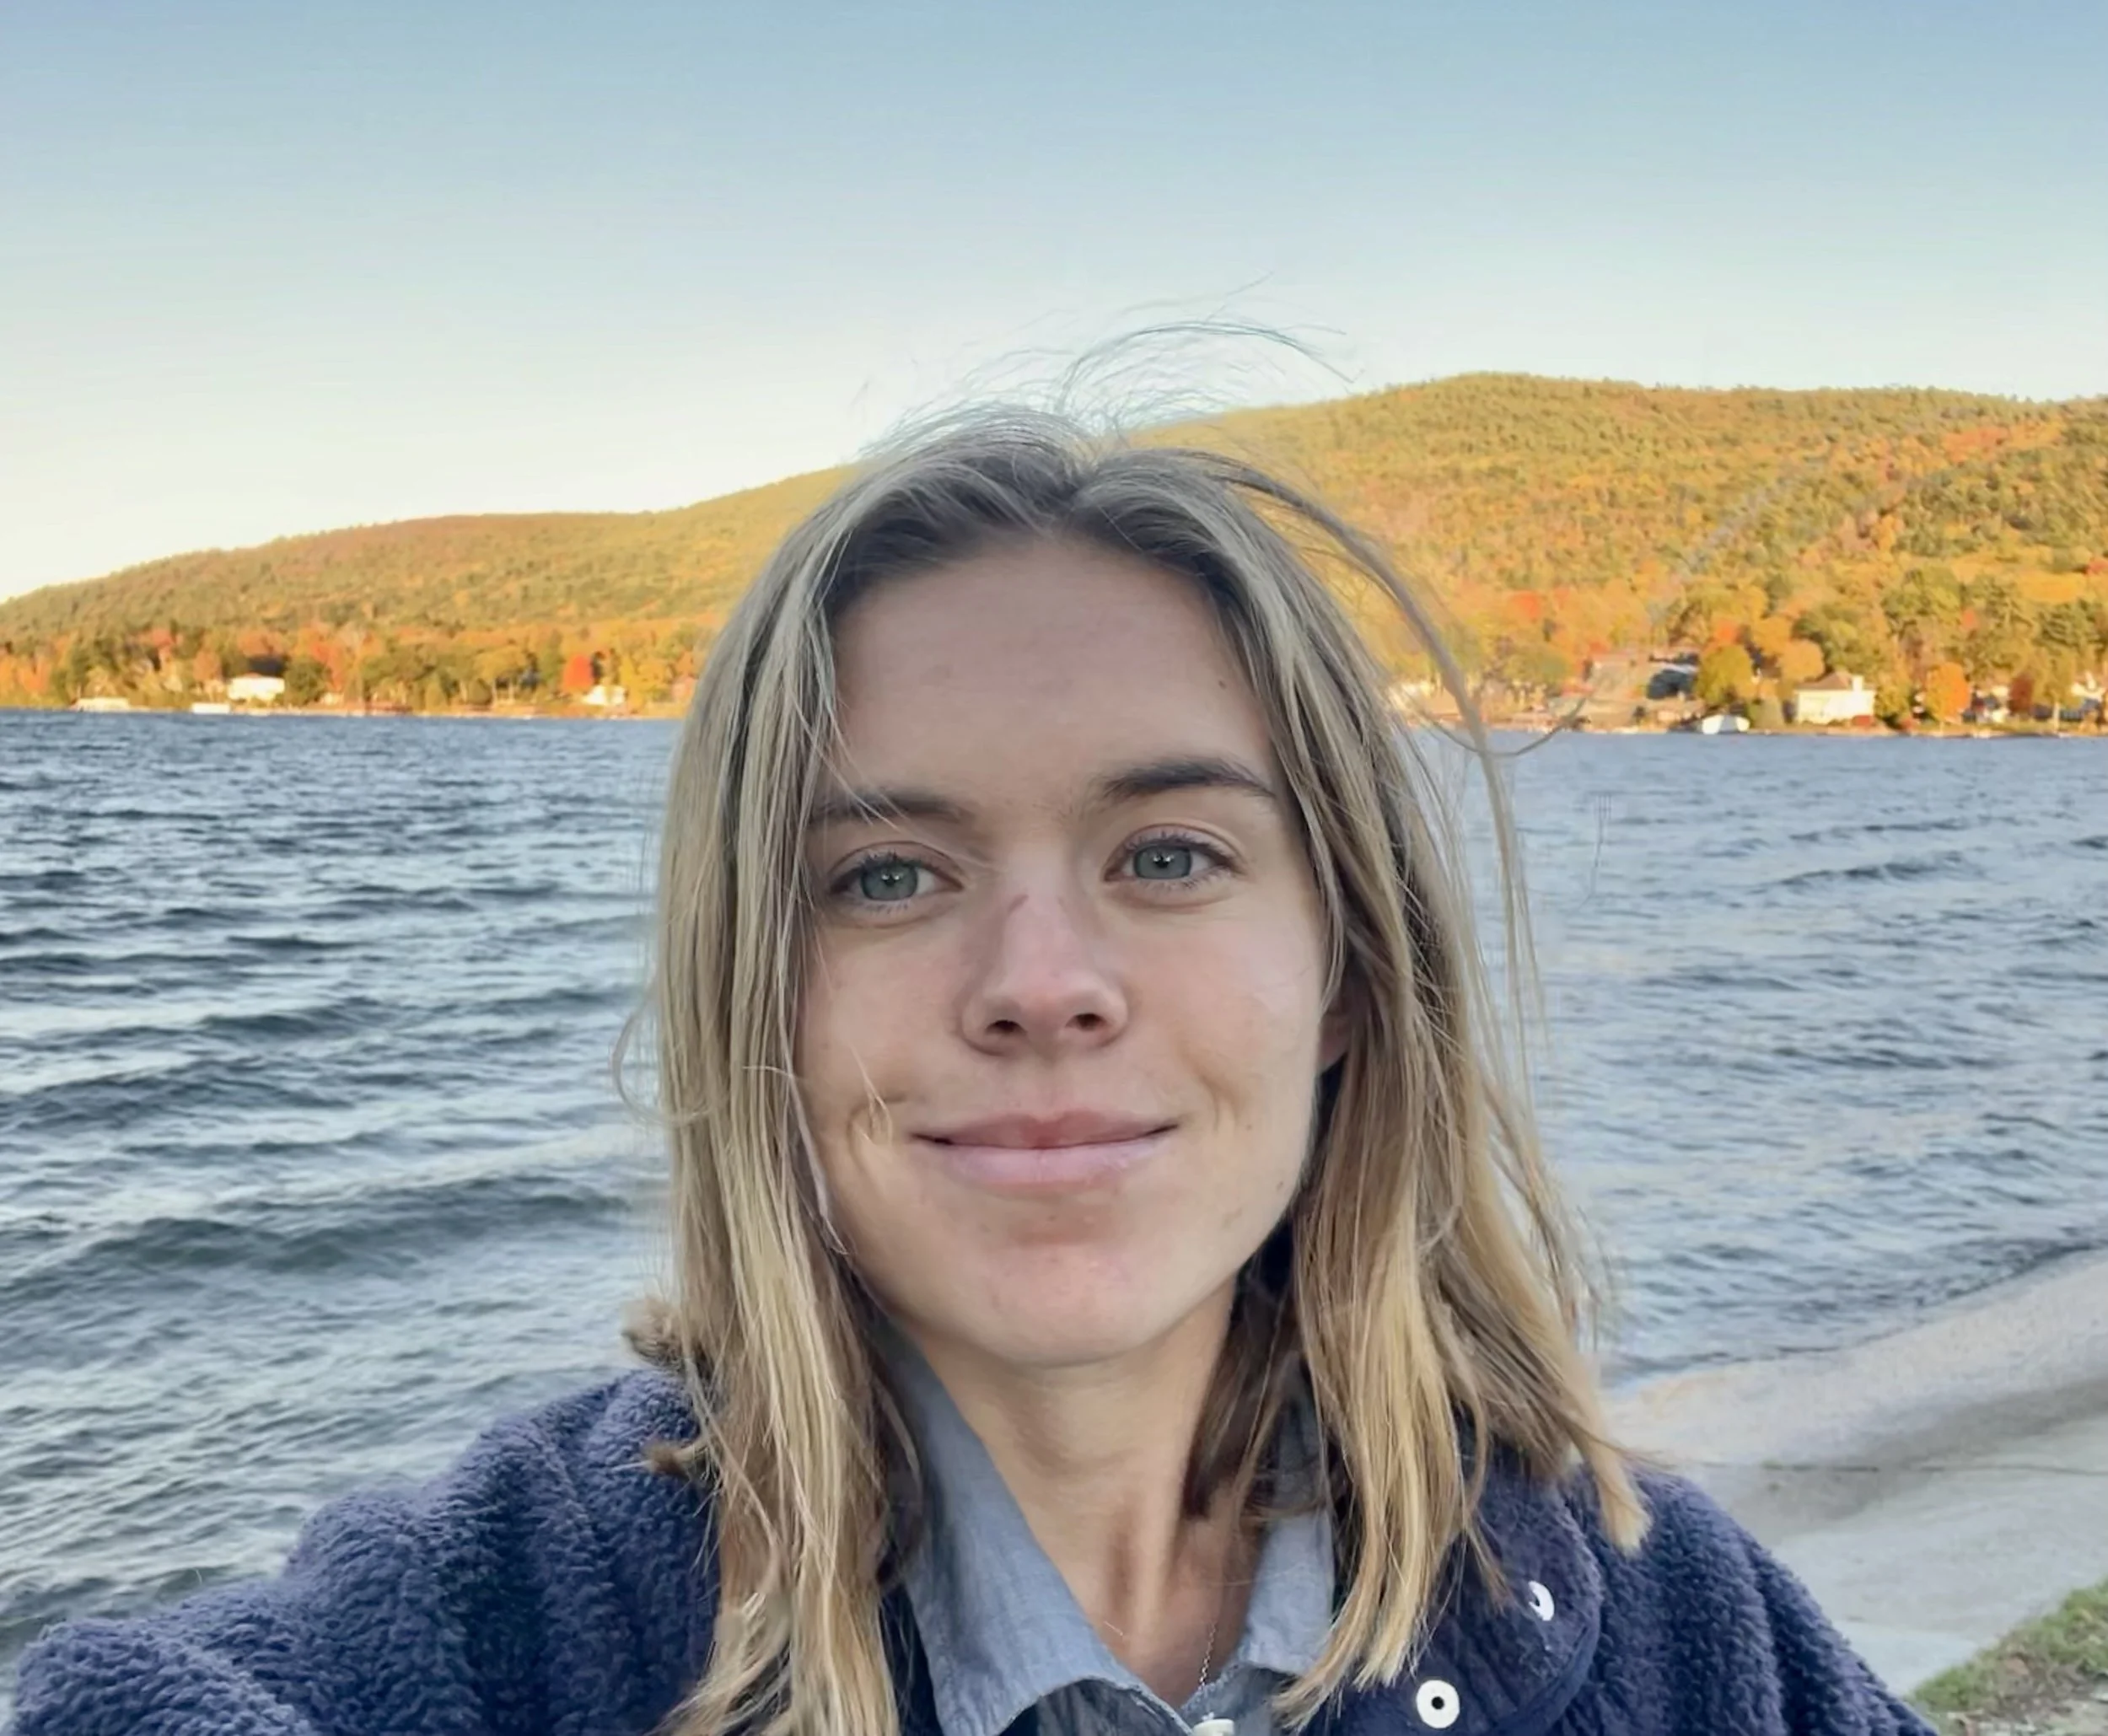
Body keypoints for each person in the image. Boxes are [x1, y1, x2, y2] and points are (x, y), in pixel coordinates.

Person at [10, 411, 1931, 1736]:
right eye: (888, 876)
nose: (1039, 985)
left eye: (1166, 856)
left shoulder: (1642, 1613)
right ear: (756, 997)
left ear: (1347, 969)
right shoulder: (543, 1602)